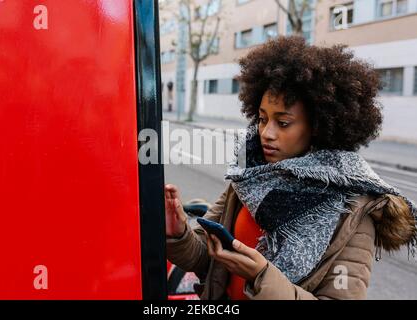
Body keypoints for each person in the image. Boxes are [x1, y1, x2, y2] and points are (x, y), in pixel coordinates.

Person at [164, 36, 417, 300]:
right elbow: (207, 260)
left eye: (283, 123)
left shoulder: (353, 209)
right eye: (262, 119)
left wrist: (262, 277)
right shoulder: (249, 177)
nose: (266, 133)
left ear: (318, 128)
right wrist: (178, 234)